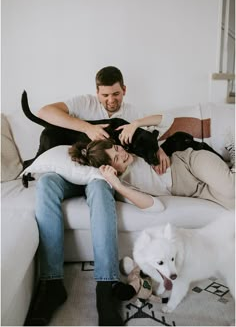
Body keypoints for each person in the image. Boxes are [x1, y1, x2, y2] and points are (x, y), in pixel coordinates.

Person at [25, 66, 173, 326]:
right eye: (105, 95)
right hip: (69, 172)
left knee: (100, 187)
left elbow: (152, 134)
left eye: (115, 94)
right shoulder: (83, 103)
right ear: (97, 92)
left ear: (124, 90)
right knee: (47, 183)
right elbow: (44, 112)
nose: (110, 100)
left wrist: (160, 150)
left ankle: (106, 287)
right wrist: (85, 127)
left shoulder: (133, 114)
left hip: (100, 176)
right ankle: (51, 284)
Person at [69, 130, 235, 211]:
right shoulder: (124, 187)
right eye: (116, 159)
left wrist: (158, 149)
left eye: (116, 149)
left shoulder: (132, 145)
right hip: (195, 190)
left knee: (230, 187)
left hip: (189, 163)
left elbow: (155, 127)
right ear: (112, 168)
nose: (122, 154)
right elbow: (156, 207)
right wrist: (117, 185)